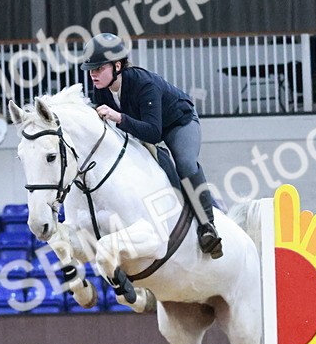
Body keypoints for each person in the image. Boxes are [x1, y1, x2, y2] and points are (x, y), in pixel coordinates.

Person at [80, 33, 223, 259]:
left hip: (178, 122)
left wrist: (118, 117)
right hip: (143, 126)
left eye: (98, 68)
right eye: (91, 70)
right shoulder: (101, 89)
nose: (93, 74)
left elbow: (154, 133)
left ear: (117, 66)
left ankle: (208, 226)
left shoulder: (143, 83)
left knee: (185, 163)